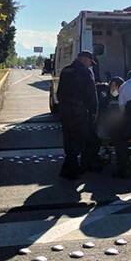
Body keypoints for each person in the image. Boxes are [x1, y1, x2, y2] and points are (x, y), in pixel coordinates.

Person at [56, 50, 98, 180]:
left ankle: (67, 169)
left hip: (65, 111)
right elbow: (91, 93)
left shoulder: (65, 70)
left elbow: (59, 93)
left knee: (68, 140)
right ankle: (74, 170)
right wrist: (94, 111)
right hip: (79, 112)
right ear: (85, 60)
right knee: (81, 139)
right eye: (90, 62)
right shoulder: (86, 72)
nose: (90, 65)